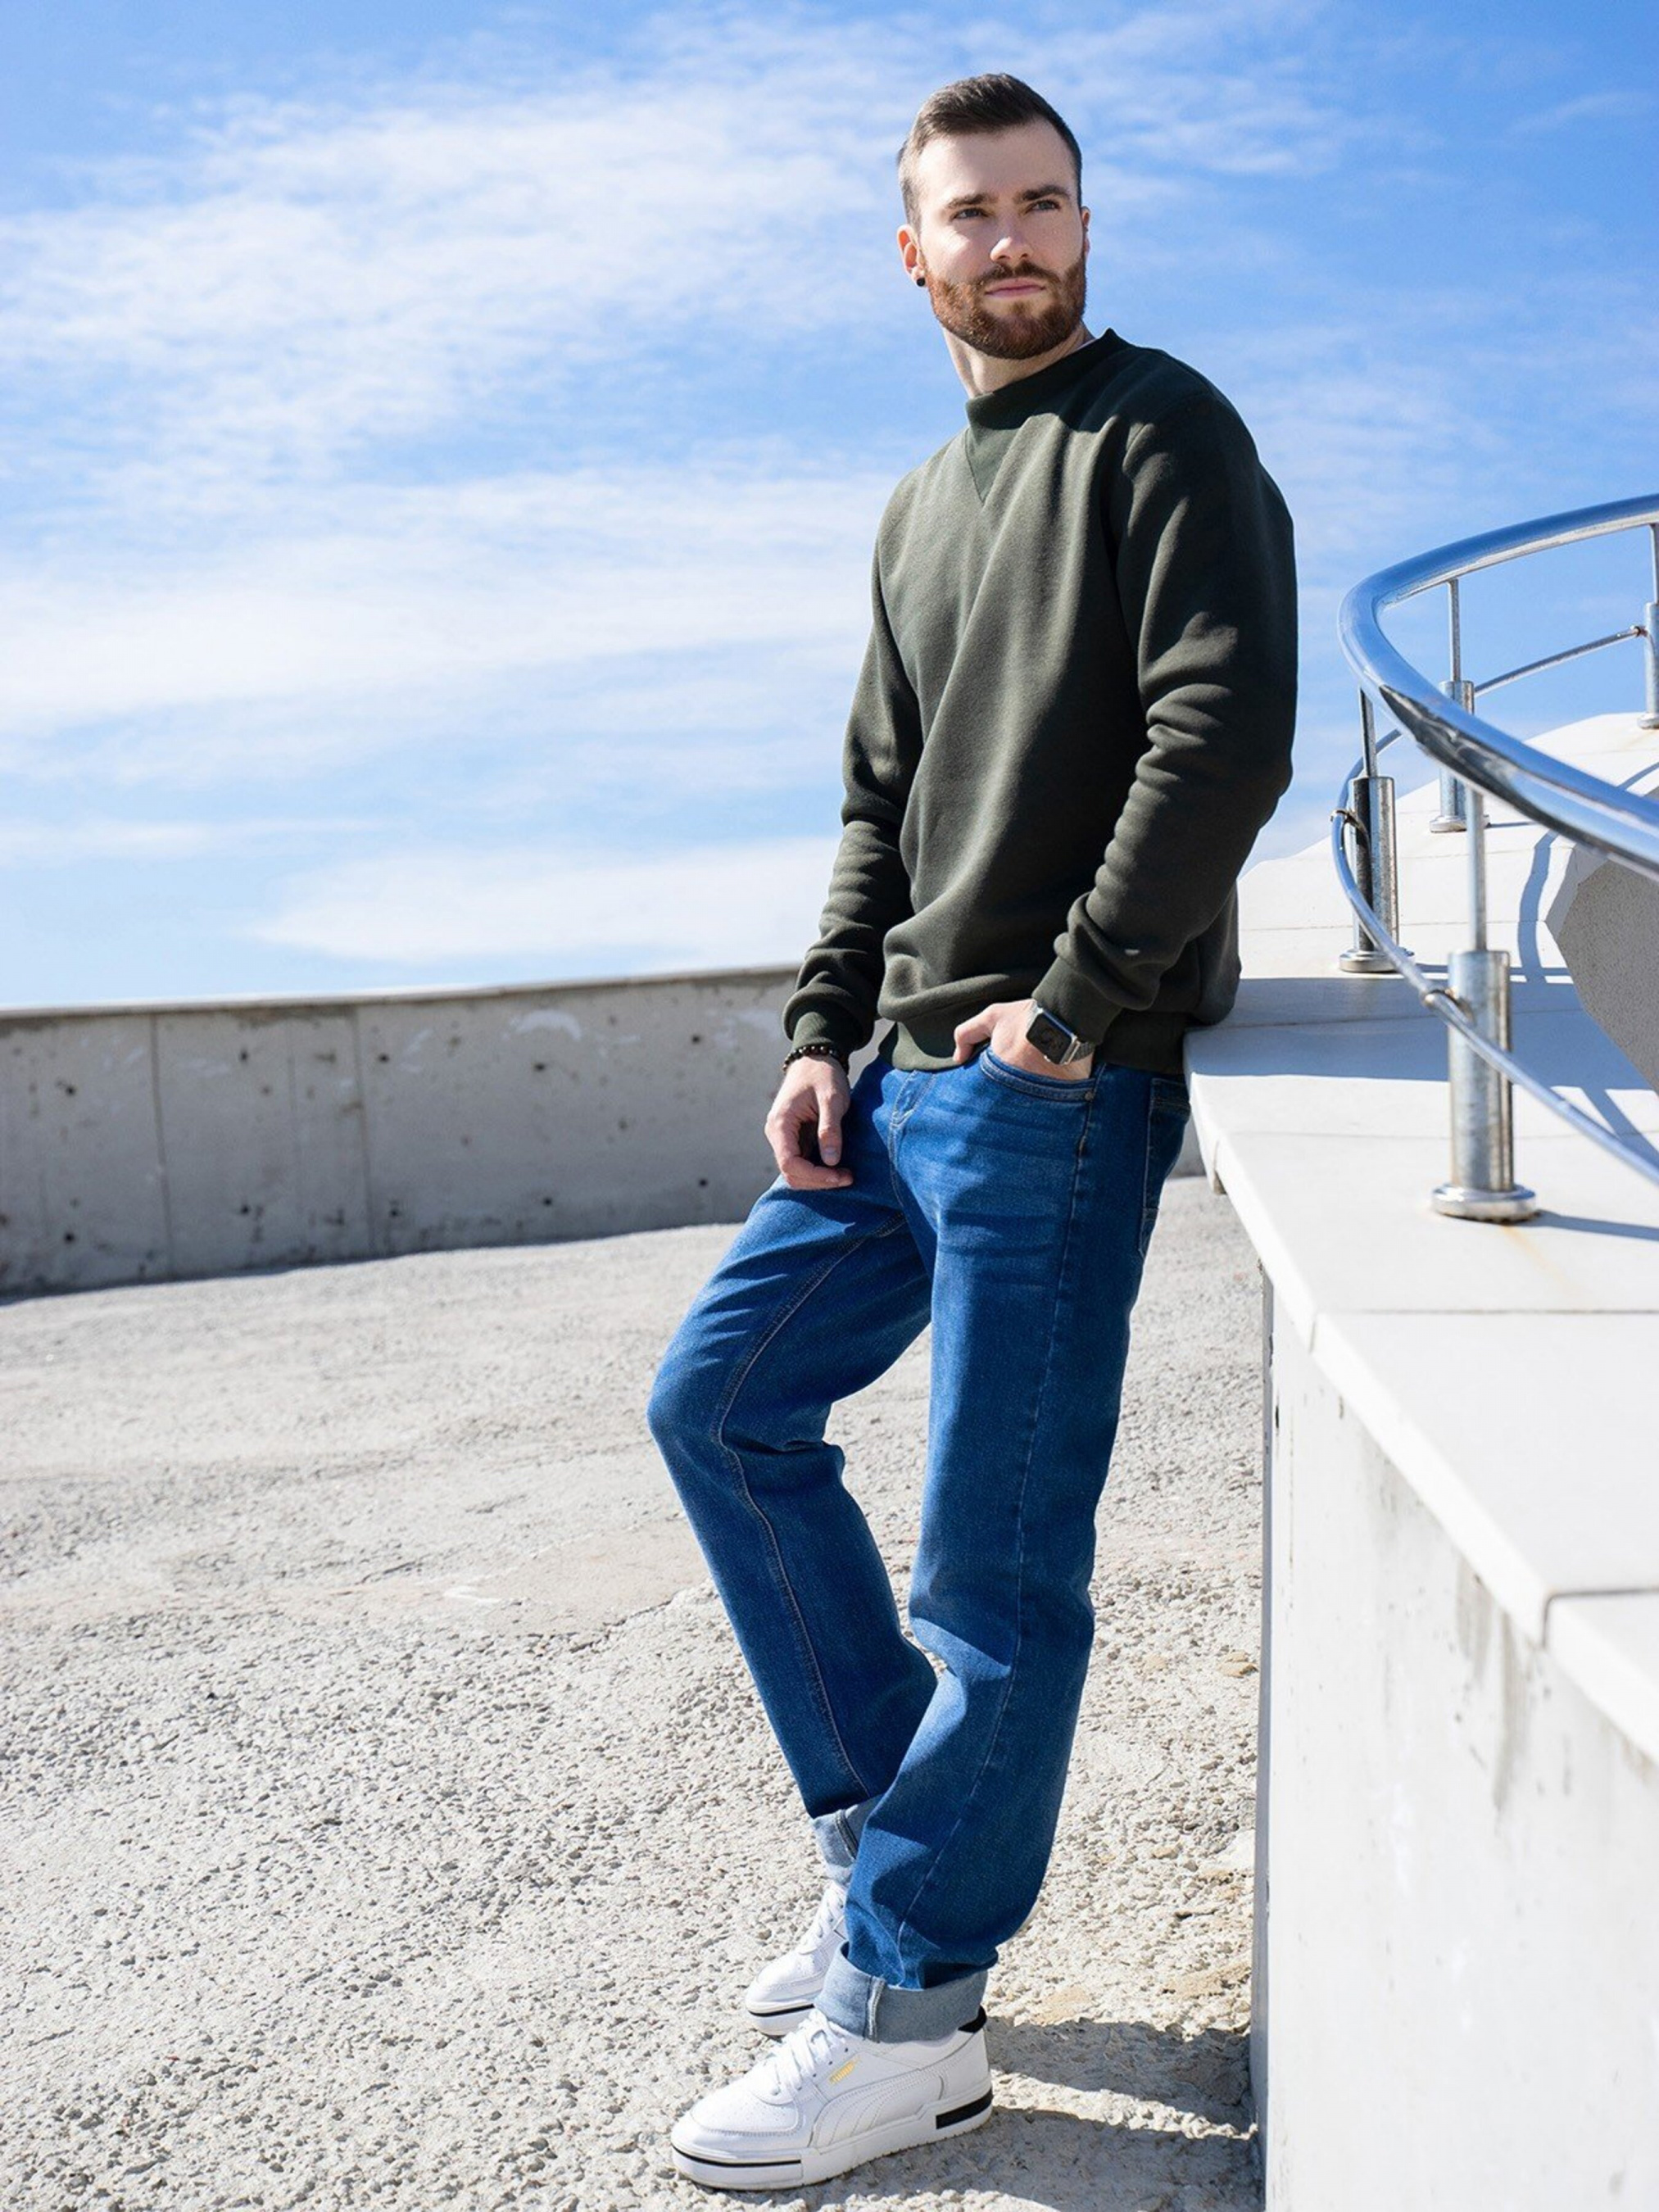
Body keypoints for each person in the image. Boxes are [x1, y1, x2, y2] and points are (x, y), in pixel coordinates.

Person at [646, 71, 1296, 2192]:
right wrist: (822, 1029)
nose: (1012, 240)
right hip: (895, 1076)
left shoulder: (1164, 431)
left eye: (1044, 203)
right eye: (973, 212)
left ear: (1084, 224)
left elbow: (1223, 726)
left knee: (994, 1570)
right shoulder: (920, 505)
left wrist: (1081, 1001)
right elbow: (878, 800)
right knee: (719, 1401)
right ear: (910, 250)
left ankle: (913, 2011)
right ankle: (882, 1864)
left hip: (1050, 1084)